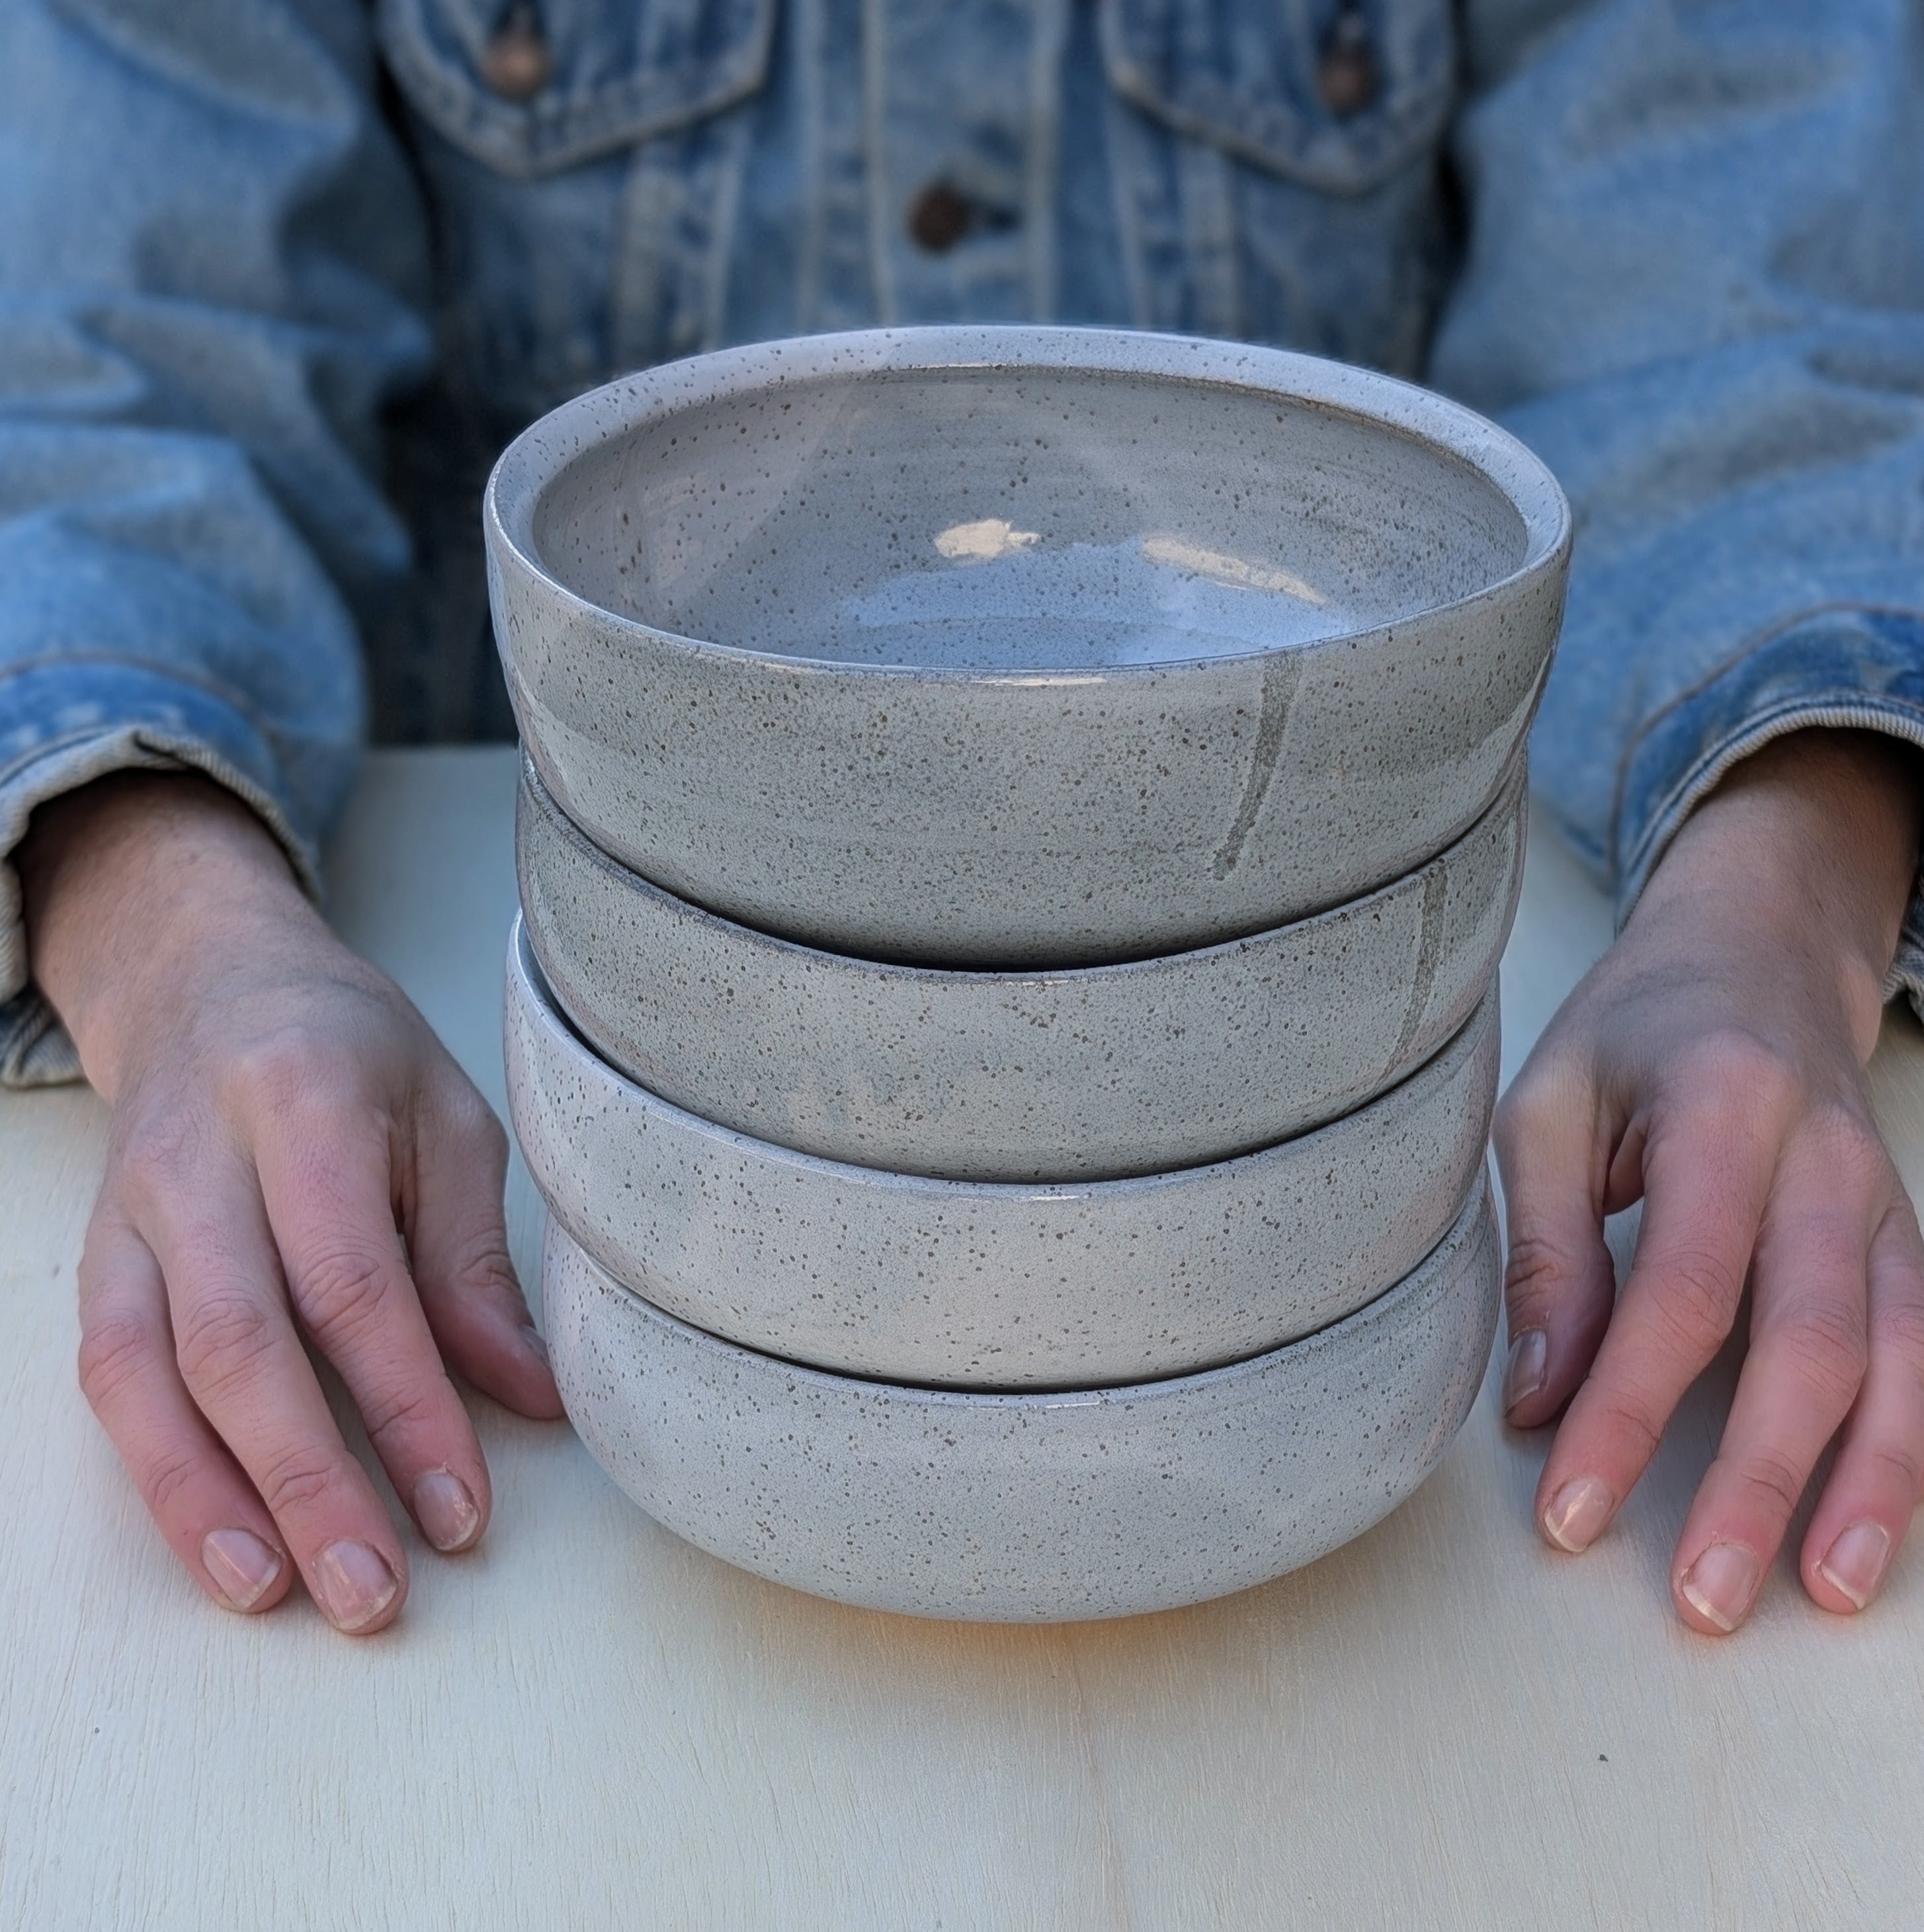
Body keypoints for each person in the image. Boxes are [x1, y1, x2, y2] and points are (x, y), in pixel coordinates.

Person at [3, 0, 1921, 1639]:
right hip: (510, 1273)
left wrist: (1783, 887)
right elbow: (99, 344)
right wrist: (174, 927)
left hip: (1423, 1507)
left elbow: (1741, 271)